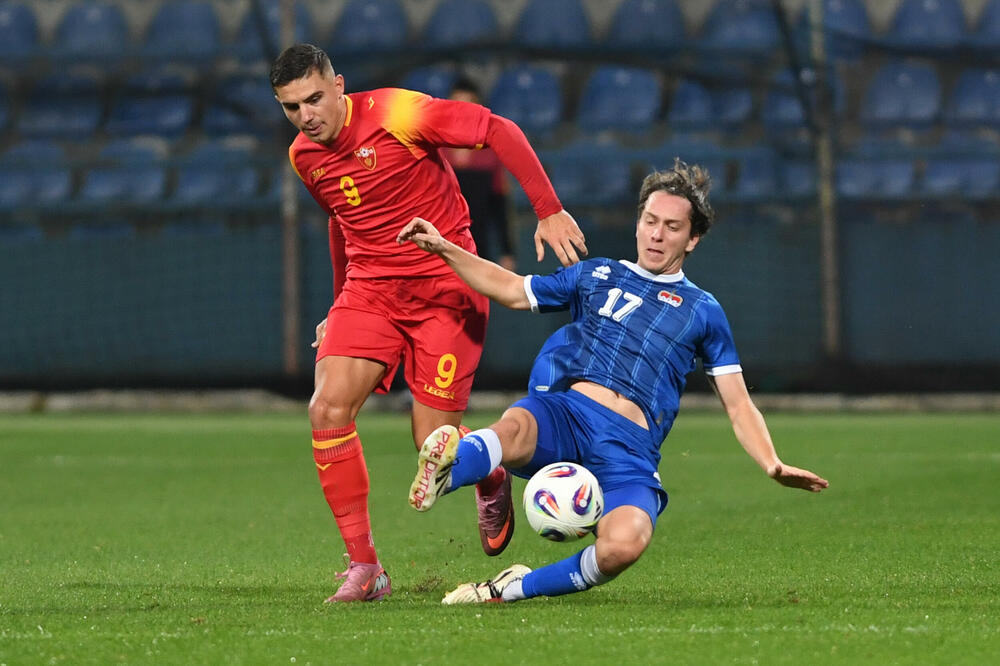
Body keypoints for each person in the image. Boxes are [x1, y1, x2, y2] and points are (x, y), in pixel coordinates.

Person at [397, 160, 829, 604]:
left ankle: (510, 589)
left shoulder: (703, 310)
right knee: (515, 428)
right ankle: (448, 472)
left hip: (630, 449)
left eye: (673, 227)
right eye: (650, 222)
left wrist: (772, 463)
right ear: (639, 223)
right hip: (569, 415)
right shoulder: (596, 275)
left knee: (626, 543)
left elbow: (738, 404)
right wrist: (444, 248)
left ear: (693, 238)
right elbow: (511, 289)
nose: (657, 235)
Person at [269, 43, 587, 603]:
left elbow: (497, 128)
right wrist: (338, 302)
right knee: (326, 408)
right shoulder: (304, 156)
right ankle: (366, 568)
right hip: (370, 291)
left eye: (314, 99)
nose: (306, 116)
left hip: (447, 286)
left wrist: (548, 208)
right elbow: (342, 221)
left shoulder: (397, 114)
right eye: (292, 107)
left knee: (433, 445)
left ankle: (487, 471)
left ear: (339, 85)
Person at [441, 76, 516, 271]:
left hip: (478, 250)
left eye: (468, 106)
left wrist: (507, 251)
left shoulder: (489, 154)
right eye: (456, 105)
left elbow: (499, 206)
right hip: (438, 248)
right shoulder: (435, 151)